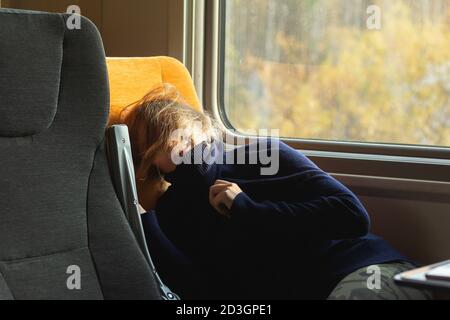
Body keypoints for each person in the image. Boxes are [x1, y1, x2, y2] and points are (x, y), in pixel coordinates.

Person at [122, 84, 431, 300]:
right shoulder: (173, 214)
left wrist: (246, 207)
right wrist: (144, 224)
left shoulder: (265, 156)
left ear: (200, 127)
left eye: (178, 132)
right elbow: (201, 292)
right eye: (159, 142)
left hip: (363, 270)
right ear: (151, 161)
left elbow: (352, 215)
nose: (178, 146)